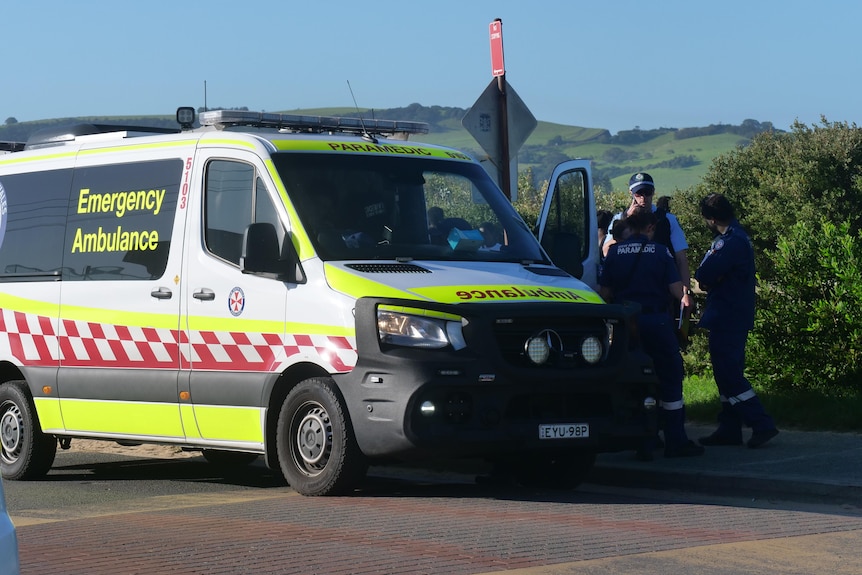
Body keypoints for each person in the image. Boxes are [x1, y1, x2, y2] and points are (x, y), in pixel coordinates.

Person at [599, 208, 704, 459]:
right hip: (657, 322)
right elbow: (679, 293)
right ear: (650, 228)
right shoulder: (659, 252)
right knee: (669, 376)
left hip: (628, 325)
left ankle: (644, 441)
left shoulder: (614, 253)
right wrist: (687, 302)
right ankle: (676, 440)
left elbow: (604, 294)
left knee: (636, 379)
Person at [695, 193, 779, 449]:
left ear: (711, 219)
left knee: (730, 374)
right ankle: (729, 427)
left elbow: (704, 274)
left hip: (727, 315)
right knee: (724, 373)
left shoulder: (729, 242)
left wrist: (710, 278)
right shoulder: (738, 238)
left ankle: (761, 423)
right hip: (731, 314)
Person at [603, 173, 693, 312]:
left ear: (653, 192)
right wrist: (626, 222)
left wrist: (685, 294)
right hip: (626, 298)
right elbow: (606, 252)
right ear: (631, 194)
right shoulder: (619, 219)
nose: (643, 198)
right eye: (639, 194)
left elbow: (681, 258)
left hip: (661, 295)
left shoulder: (667, 220)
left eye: (648, 193)